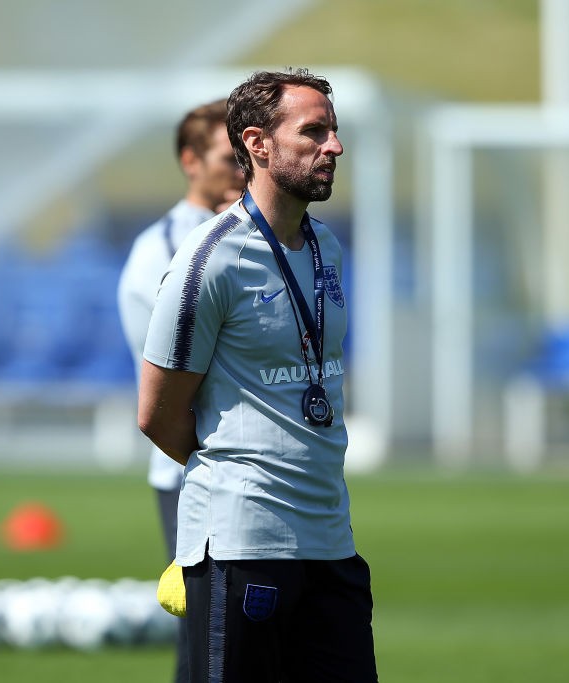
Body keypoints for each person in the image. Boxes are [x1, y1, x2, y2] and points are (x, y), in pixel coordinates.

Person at [137, 69, 378, 682]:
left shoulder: (327, 247)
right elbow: (157, 413)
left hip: (330, 539)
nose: (334, 146)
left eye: (334, 130)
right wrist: (239, 474)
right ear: (258, 143)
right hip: (242, 544)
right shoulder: (209, 258)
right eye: (314, 131)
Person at [117, 98, 244, 683]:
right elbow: (177, 371)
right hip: (189, 465)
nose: (242, 169)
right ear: (190, 161)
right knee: (208, 634)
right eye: (227, 157)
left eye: (246, 156)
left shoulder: (250, 234)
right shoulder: (161, 249)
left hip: (253, 466)